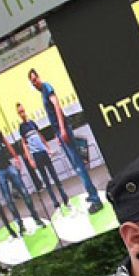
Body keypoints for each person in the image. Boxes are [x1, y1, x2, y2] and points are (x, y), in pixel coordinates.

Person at [28, 67, 103, 212]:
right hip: (60, 131)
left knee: (78, 166)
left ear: (38, 77)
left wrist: (62, 129)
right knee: (77, 164)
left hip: (63, 130)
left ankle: (95, 199)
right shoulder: (42, 92)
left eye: (35, 79)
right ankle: (91, 193)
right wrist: (57, 133)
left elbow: (57, 106)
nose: (35, 83)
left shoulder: (46, 87)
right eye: (32, 82)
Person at [0, 114, 41, 236]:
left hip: (8, 164)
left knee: (24, 192)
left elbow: (5, 141)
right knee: (8, 200)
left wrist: (15, 156)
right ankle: (20, 224)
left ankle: (36, 217)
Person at [16, 102, 69, 215]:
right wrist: (30, 159)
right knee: (47, 181)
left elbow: (40, 135)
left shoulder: (32, 123)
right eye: (20, 112)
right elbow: (24, 144)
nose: (22, 113)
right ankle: (56, 204)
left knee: (55, 177)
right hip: (36, 155)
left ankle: (65, 200)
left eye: (23, 110)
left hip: (44, 153)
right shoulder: (22, 128)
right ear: (18, 114)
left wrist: (48, 148)